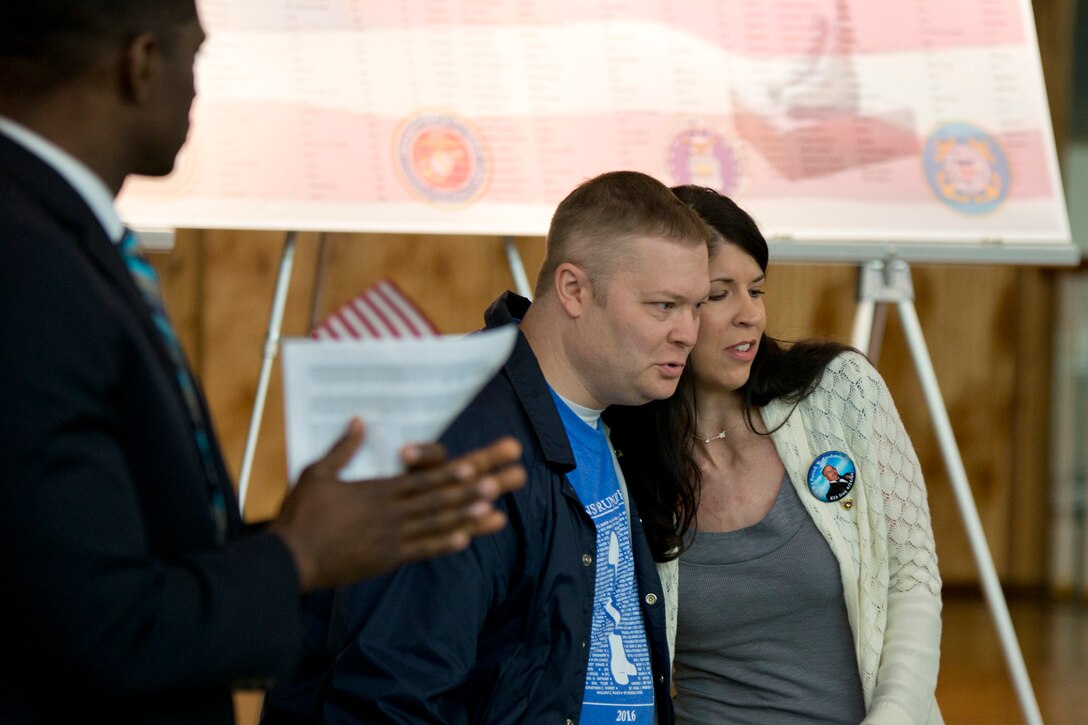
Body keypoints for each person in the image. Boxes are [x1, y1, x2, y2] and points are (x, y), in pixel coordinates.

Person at [0, 3, 526, 722]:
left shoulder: (62, 236)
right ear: (143, 62)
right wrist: (295, 556)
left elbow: (115, 545)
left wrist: (306, 540)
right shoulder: (26, 257)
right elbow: (93, 622)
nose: (195, 89)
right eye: (197, 57)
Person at [262, 170, 720, 724]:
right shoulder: (458, 435)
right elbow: (390, 695)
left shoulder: (619, 418)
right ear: (574, 290)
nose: (688, 332)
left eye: (696, 306)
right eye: (663, 306)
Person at [605, 186, 943, 724]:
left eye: (756, 290)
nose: (749, 316)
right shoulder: (619, 454)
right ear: (667, 308)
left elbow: (912, 581)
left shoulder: (840, 390)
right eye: (719, 295)